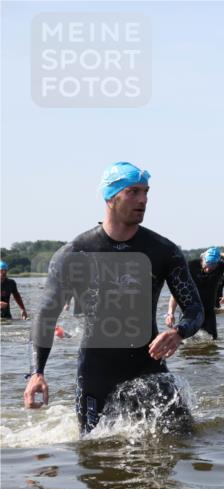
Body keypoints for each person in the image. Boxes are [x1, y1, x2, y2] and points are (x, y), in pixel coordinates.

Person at [23, 162, 204, 433]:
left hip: (149, 367)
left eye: (146, 192)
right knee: (92, 451)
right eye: (133, 192)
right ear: (110, 197)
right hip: (96, 373)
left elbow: (195, 309)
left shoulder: (163, 251)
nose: (143, 200)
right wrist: (36, 373)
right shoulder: (75, 253)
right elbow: (45, 316)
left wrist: (179, 332)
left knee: (183, 442)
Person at [166, 246, 224, 339]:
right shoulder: (190, 266)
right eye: (207, 264)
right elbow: (177, 291)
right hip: (189, 311)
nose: (209, 269)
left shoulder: (220, 266)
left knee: (213, 341)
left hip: (208, 312)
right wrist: (170, 313)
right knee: (183, 340)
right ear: (202, 259)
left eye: (213, 266)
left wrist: (219, 253)